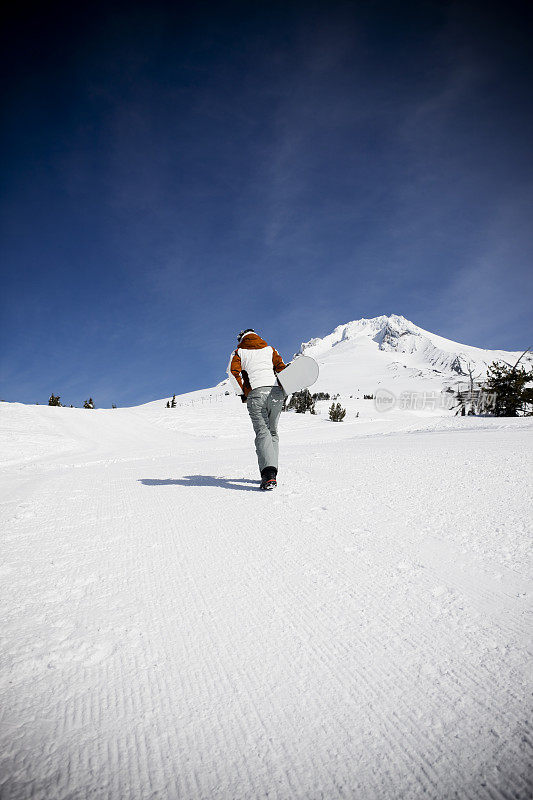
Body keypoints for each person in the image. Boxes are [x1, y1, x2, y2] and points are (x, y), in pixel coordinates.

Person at [228, 329, 287, 490]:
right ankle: (272, 473)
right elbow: (282, 369)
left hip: (256, 394)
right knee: (273, 432)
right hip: (276, 393)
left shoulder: (239, 352)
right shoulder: (270, 350)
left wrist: (242, 393)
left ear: (241, 338)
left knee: (263, 432)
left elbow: (233, 374)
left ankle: (268, 475)